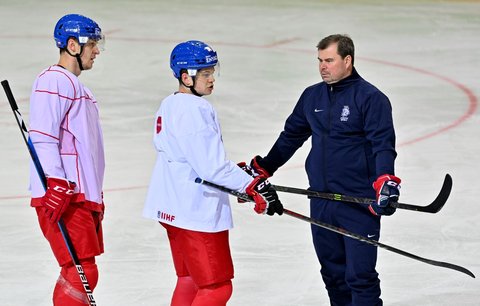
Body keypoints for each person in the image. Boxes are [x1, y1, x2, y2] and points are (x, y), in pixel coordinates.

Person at [248, 34, 401, 306]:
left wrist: (385, 180)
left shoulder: (371, 98)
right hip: (320, 199)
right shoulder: (312, 96)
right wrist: (264, 168)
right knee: (333, 274)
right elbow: (291, 137)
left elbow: (383, 145)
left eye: (329, 60)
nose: (323, 67)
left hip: (358, 201)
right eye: (320, 60)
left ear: (348, 60)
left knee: (360, 276)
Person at [143, 40, 283, 306]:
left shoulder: (170, 103)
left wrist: (242, 179)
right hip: (196, 212)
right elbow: (212, 167)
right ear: (186, 76)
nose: (212, 79)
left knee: (189, 279)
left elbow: (192, 158)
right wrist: (252, 186)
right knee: (216, 288)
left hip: (172, 206)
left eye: (212, 72)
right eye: (205, 74)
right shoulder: (196, 109)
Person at [29, 14, 106, 305]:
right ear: (73, 45)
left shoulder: (77, 86)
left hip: (79, 194)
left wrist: (94, 194)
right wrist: (56, 181)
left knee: (84, 269)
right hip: (64, 193)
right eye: (93, 44)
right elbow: (42, 135)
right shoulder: (53, 80)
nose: (96, 51)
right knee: (80, 270)